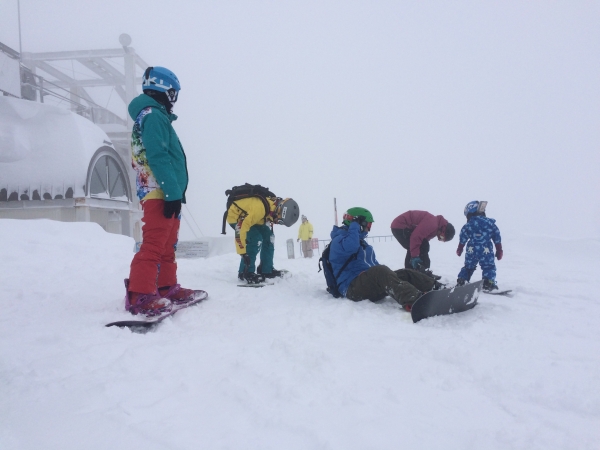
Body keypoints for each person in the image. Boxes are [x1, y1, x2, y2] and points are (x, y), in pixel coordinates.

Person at [124, 66, 205, 317]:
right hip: (158, 190)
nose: (174, 100)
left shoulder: (155, 116)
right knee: (154, 244)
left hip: (167, 192)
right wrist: (171, 193)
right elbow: (158, 156)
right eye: (173, 93)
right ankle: (140, 295)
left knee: (167, 245)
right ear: (163, 89)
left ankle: (166, 287)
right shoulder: (153, 116)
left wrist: (175, 194)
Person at [329, 207, 438, 311]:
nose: (368, 229)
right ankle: (416, 299)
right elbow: (351, 246)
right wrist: (354, 225)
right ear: (359, 223)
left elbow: (374, 267)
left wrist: (390, 276)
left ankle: (435, 287)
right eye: (367, 224)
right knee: (380, 271)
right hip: (351, 288)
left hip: (366, 283)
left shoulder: (361, 242)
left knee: (404, 273)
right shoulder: (338, 240)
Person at [227, 194, 299, 283]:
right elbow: (240, 229)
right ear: (279, 210)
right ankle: (245, 272)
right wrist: (243, 252)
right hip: (236, 217)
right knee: (255, 238)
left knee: (269, 237)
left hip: (255, 219)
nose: (277, 222)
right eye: (279, 221)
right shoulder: (259, 210)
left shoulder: (271, 207)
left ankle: (266, 270)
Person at [456, 201, 503, 292]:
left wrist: (460, 248)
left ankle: (462, 280)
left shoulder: (468, 225)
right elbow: (496, 236)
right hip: (486, 250)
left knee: (468, 266)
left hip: (471, 249)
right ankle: (488, 283)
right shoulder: (490, 223)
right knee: (488, 266)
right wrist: (499, 249)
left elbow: (463, 236)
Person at [390, 210, 455, 271]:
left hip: (404, 227)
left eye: (442, 239)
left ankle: (414, 271)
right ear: (443, 230)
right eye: (441, 237)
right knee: (417, 247)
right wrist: (415, 256)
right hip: (400, 226)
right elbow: (415, 237)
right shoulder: (433, 224)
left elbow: (423, 241)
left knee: (420, 246)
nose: (439, 238)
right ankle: (415, 271)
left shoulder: (435, 228)